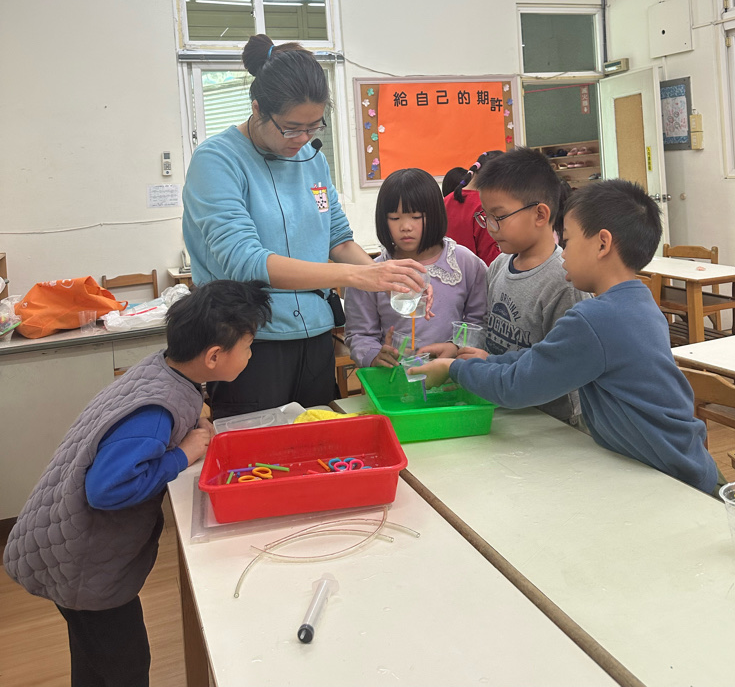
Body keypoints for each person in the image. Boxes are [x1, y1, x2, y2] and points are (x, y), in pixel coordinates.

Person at [3, 280, 272, 687]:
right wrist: (182, 454)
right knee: (125, 665)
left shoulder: (161, 368)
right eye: (249, 347)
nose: (251, 355)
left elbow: (165, 413)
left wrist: (195, 419)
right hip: (84, 565)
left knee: (93, 660)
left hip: (67, 545)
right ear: (214, 356)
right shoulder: (154, 412)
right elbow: (106, 489)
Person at [182, 34, 428, 419]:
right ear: (258, 109)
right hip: (247, 343)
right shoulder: (217, 161)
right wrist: (357, 276)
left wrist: (392, 279)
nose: (302, 139)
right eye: (291, 128)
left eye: (313, 127)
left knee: (318, 438)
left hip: (314, 337)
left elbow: (338, 240)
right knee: (259, 448)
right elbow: (245, 261)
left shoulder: (312, 160)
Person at [418, 181, 719, 494]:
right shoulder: (638, 301)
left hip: (672, 479)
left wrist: (453, 369)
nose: (563, 254)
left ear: (602, 244)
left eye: (568, 241)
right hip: (678, 461)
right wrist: (488, 361)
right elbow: (541, 355)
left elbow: (517, 386)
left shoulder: (595, 319)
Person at [427, 147, 587, 425]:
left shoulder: (565, 282)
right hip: (502, 409)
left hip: (550, 423)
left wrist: (488, 364)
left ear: (540, 215)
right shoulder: (499, 265)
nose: (490, 227)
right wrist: (457, 348)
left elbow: (559, 367)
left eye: (498, 217)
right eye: (485, 216)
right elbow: (486, 326)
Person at [345, 168, 487, 367]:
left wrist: (455, 347)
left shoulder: (465, 263)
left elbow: (479, 321)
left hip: (452, 374)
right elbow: (359, 333)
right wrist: (375, 356)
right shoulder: (372, 272)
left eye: (416, 216)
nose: (405, 227)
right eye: (395, 218)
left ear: (435, 215)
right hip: (394, 377)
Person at [443, 151, 503, 264]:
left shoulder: (446, 200)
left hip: (447, 269)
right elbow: (490, 257)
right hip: (475, 271)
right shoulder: (484, 206)